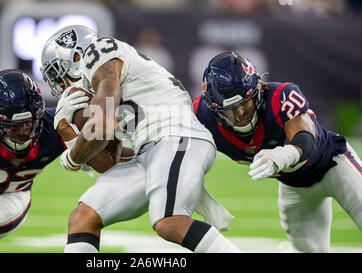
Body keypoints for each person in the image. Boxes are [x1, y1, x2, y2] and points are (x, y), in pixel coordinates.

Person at [41, 25, 239, 253]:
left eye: (58, 72)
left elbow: (102, 123)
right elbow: (109, 164)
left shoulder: (99, 51)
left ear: (76, 56)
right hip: (151, 150)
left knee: (170, 222)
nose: (60, 83)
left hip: (177, 134)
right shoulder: (99, 89)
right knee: (85, 215)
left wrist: (72, 158)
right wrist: (66, 129)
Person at [0, 69, 116, 253]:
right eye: (13, 126)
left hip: (14, 195)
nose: (23, 131)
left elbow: (103, 160)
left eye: (29, 122)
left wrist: (78, 147)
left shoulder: (54, 124)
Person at [194, 51, 362, 252]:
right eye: (229, 111)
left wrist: (284, 154)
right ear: (214, 110)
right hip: (294, 187)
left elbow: (306, 141)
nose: (239, 115)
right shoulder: (200, 116)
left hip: (334, 166)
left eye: (244, 105)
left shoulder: (280, 96)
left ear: (257, 92)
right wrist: (197, 194)